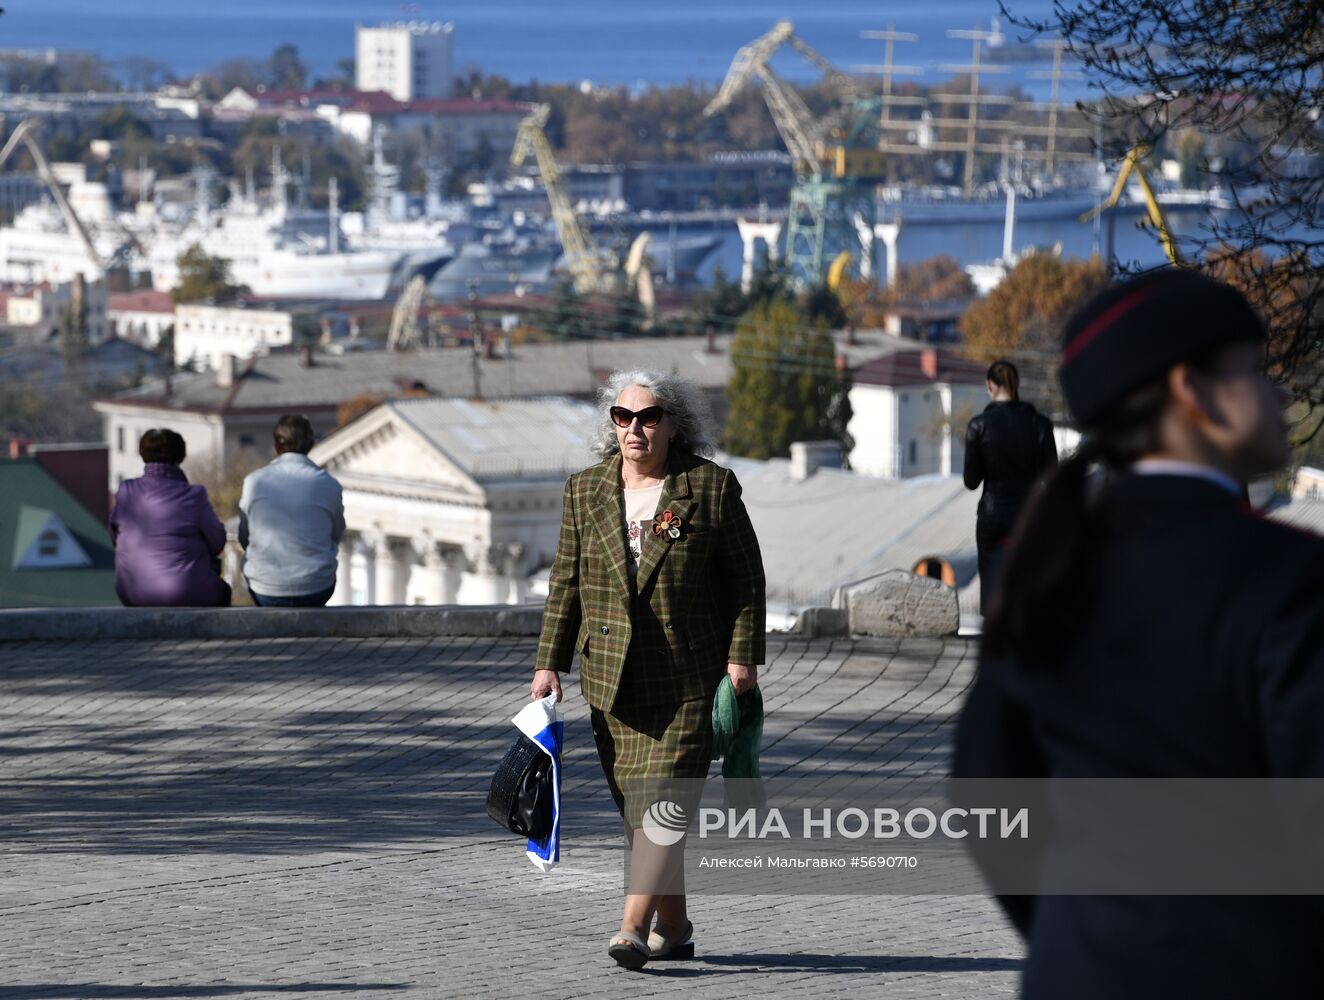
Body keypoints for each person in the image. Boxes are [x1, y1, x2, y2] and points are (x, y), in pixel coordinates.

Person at [953, 271, 1324, 997]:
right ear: (1194, 392)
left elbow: (985, 788)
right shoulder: (1285, 576)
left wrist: (1080, 925)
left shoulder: (1049, 569)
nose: (1277, 393)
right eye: (1252, 370)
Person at [531, 369, 766, 970]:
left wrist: (742, 659)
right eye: (623, 416)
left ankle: (631, 928)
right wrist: (548, 664)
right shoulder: (585, 491)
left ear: (673, 424)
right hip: (614, 683)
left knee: (664, 804)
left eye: (648, 416)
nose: (634, 428)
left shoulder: (708, 488)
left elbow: (745, 579)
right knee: (641, 814)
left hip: (689, 678)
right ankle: (676, 926)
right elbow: (566, 585)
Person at [962, 360, 1057, 613]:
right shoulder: (1041, 425)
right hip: (1029, 517)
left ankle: (992, 644)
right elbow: (1052, 477)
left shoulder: (978, 426)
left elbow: (971, 482)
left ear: (989, 386)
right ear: (1017, 385)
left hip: (992, 517)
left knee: (991, 587)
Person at [110, 428, 231, 607]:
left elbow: (115, 537)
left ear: (143, 454)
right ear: (180, 456)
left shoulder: (126, 491)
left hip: (132, 592)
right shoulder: (193, 495)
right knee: (223, 590)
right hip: (182, 591)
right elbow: (217, 541)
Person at [239, 414, 345, 607]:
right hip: (316, 588)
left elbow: (244, 537)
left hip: (266, 590)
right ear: (310, 445)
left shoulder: (254, 482)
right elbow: (336, 535)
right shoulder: (329, 485)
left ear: (277, 447)